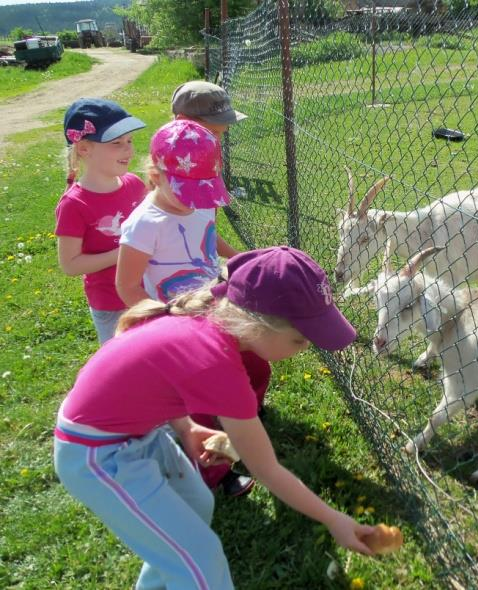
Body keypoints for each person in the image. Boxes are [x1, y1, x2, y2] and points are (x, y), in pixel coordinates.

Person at [54, 246, 375, 590]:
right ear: (256, 323)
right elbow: (267, 470)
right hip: (96, 454)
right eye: (300, 340)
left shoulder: (206, 320)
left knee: (196, 505)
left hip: (132, 433)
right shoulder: (219, 366)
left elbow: (157, 381)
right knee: (202, 563)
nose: (304, 348)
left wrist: (187, 426)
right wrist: (333, 519)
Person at [115, 118, 250, 496]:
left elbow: (209, 237)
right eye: (187, 191)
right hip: (175, 319)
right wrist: (160, 318)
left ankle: (244, 417)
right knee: (199, 399)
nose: (197, 199)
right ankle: (214, 474)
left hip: (214, 307)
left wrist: (240, 258)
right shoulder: (144, 224)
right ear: (155, 175)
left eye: (203, 190)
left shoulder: (201, 201)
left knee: (242, 368)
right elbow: (126, 284)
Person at [54, 98, 146, 344]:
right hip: (112, 305)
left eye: (129, 141)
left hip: (147, 291)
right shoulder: (74, 204)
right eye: (117, 143)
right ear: (84, 149)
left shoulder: (135, 185)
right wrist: (123, 252)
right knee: (124, 366)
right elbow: (70, 265)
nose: (128, 150)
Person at [171, 80, 247, 139]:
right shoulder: (171, 156)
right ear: (182, 121)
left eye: (221, 133)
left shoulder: (205, 153)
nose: (218, 141)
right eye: (212, 133)